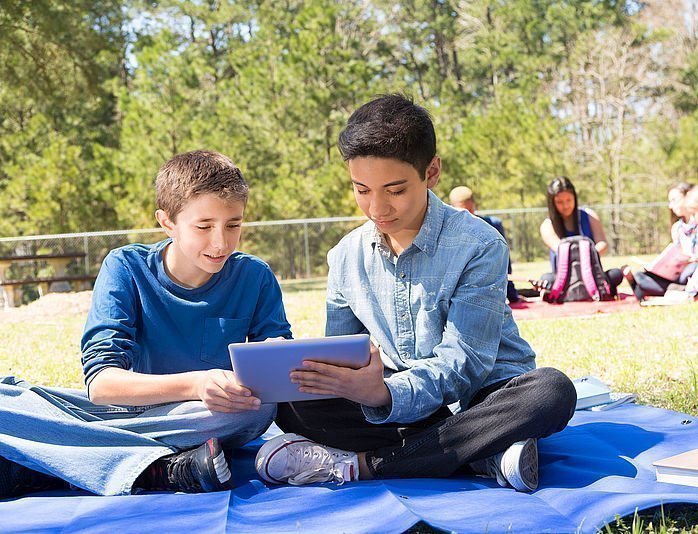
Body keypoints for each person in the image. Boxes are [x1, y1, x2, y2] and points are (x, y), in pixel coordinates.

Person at [259, 94, 576, 493]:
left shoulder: (479, 244)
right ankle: (484, 452)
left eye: (394, 190)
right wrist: (318, 377)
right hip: (402, 407)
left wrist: (388, 394)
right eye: (361, 190)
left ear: (432, 171)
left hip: (483, 398)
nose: (377, 208)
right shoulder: (344, 256)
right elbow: (343, 352)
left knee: (551, 391)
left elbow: (468, 363)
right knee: (290, 405)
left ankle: (367, 465)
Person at [0, 150, 292, 498]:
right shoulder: (125, 267)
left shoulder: (254, 276)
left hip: (203, 416)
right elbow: (101, 385)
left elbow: (275, 376)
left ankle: (67, 458)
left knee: (255, 411)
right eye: (204, 227)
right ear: (166, 222)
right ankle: (155, 467)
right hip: (125, 411)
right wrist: (197, 383)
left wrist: (278, 359)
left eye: (234, 225)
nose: (221, 242)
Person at [538, 177, 622, 295]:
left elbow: (603, 243)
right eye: (560, 202)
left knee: (616, 274)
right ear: (552, 203)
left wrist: (589, 257)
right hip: (564, 279)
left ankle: (600, 287)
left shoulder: (589, 216)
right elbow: (560, 250)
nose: (565, 205)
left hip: (592, 275)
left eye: (569, 200)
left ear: (575, 198)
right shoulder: (547, 225)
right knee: (546, 279)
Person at [623, 183, 698, 301]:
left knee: (692, 269)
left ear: (688, 197)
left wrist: (693, 259)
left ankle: (675, 289)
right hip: (676, 275)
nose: (670, 206)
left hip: (694, 270)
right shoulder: (677, 228)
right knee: (640, 276)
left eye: (674, 200)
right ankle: (677, 289)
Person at [449, 185, 520, 303]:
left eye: (470, 211)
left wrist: (513, 296)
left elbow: (504, 262)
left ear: (474, 206)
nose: (468, 217)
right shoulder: (447, 231)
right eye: (463, 212)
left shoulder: (492, 225)